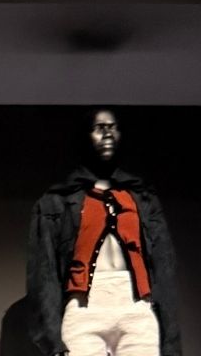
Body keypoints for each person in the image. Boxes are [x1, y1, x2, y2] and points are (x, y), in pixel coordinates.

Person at [26, 109, 181, 356]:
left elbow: (164, 266)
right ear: (84, 136)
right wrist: (52, 341)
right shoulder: (57, 200)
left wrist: (171, 341)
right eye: (98, 127)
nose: (107, 132)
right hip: (85, 307)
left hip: (136, 306)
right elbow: (43, 272)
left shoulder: (142, 198)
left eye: (112, 126)